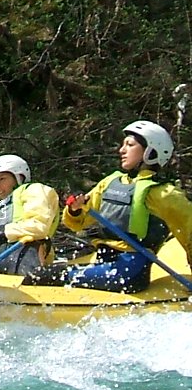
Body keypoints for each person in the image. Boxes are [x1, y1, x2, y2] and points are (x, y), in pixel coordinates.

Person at [23, 120, 192, 293]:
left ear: (150, 151)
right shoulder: (111, 182)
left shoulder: (163, 193)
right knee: (43, 274)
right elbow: (76, 224)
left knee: (41, 275)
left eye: (130, 145)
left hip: (130, 271)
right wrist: (75, 209)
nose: (122, 150)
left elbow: (190, 233)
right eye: (123, 144)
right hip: (105, 262)